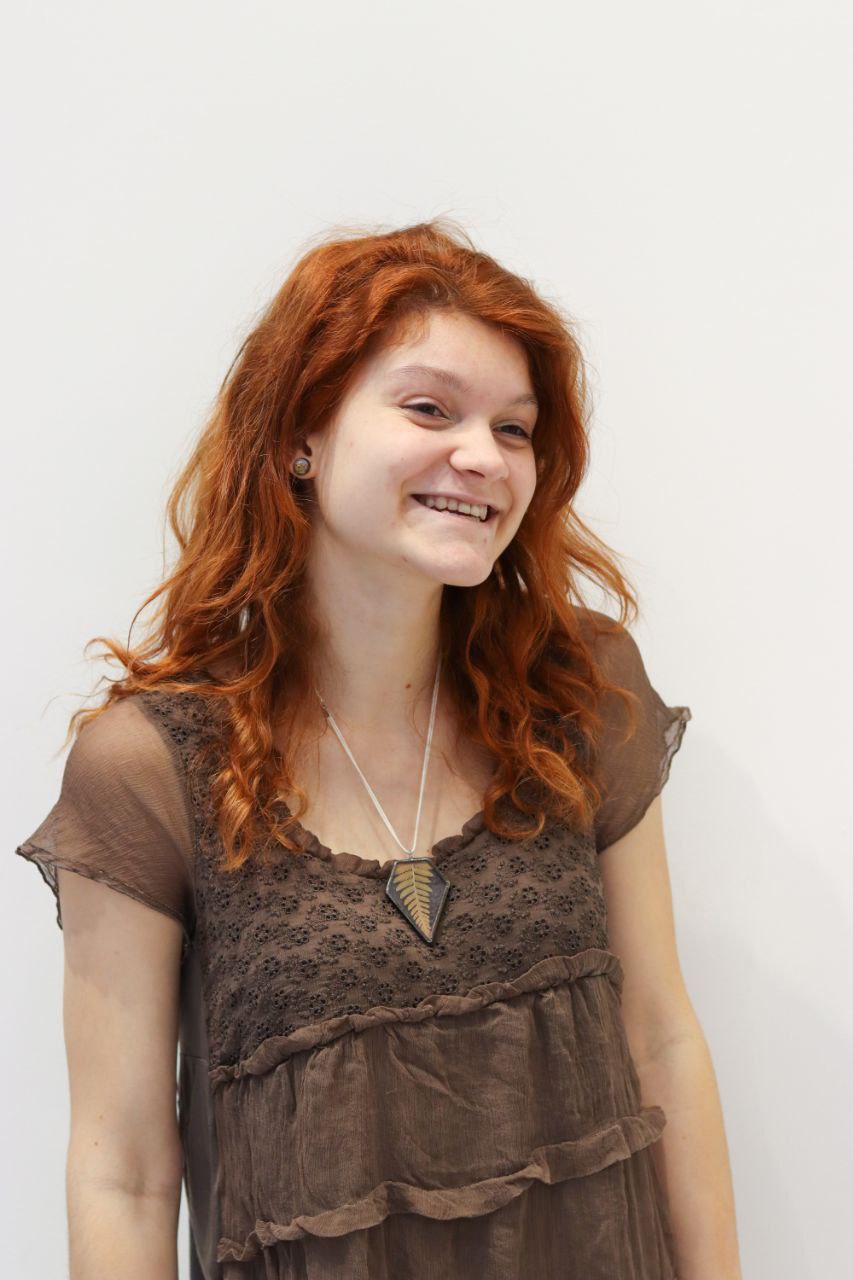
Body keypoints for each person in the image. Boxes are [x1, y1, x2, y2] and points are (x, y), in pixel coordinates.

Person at [15, 219, 741, 1279]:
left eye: (514, 428)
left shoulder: (576, 688)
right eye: (429, 409)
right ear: (300, 436)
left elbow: (660, 1035)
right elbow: (120, 1167)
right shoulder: (153, 765)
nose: (482, 457)